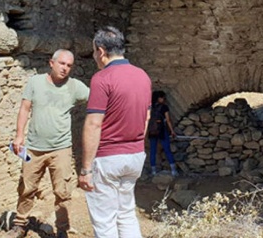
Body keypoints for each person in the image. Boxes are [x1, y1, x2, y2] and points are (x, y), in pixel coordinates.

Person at [78, 26, 151, 238]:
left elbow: (93, 124)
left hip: (108, 158)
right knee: (126, 214)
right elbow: (145, 118)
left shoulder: (102, 78)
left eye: (93, 52)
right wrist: (135, 145)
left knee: (104, 222)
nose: (94, 57)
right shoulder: (142, 76)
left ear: (101, 51)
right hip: (135, 156)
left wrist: (85, 169)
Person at [9, 49, 90, 238]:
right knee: (27, 188)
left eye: (69, 65)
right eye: (62, 63)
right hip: (33, 147)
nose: (65, 68)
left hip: (61, 148)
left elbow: (97, 99)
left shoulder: (75, 87)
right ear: (51, 63)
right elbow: (24, 109)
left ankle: (62, 229)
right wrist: (19, 135)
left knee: (62, 192)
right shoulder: (35, 82)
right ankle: (20, 224)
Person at [148, 90, 178, 176]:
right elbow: (168, 120)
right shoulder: (164, 107)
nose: (164, 99)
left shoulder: (150, 107)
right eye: (163, 97)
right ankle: (173, 170)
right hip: (161, 130)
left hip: (152, 131)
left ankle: (153, 171)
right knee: (167, 149)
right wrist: (172, 131)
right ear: (159, 98)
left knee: (153, 150)